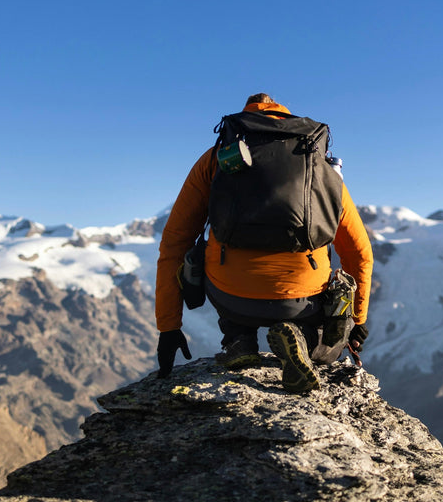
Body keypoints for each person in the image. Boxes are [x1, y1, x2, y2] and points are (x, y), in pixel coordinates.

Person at [154, 93, 373, 393]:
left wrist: (169, 327)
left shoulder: (218, 157)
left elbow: (175, 242)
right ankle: (306, 341)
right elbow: (359, 252)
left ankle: (238, 341)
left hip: (230, 296)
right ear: (285, 118)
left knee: (214, 255)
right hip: (303, 300)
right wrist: (357, 319)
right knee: (332, 343)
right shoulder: (316, 160)